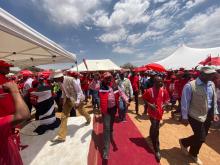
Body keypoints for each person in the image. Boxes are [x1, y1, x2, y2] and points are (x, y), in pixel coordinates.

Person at [180, 66, 219, 165]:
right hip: (195, 115)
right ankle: (184, 142)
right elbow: (185, 102)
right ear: (202, 74)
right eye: (210, 74)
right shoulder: (190, 86)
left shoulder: (212, 84)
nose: (212, 76)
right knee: (201, 137)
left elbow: (213, 100)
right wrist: (184, 117)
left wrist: (215, 112)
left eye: (212, 74)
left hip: (208, 114)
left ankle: (194, 153)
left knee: (202, 136)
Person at [0, 60, 30, 165]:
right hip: (4, 115)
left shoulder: (5, 79)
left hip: (11, 112)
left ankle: (17, 146)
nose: (9, 69)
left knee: (14, 134)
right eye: (6, 67)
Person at [51, 70, 91, 143]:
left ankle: (88, 118)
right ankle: (61, 137)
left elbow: (79, 91)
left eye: (56, 79)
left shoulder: (71, 80)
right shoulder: (59, 82)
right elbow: (64, 91)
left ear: (60, 77)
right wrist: (62, 98)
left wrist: (78, 102)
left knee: (81, 111)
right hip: (68, 99)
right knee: (63, 116)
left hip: (77, 99)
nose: (55, 80)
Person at [99, 72, 129, 160]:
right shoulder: (100, 87)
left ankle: (111, 131)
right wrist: (95, 79)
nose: (109, 79)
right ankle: (106, 151)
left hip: (113, 109)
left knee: (110, 126)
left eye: (110, 78)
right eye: (106, 78)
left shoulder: (115, 86)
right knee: (106, 129)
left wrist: (126, 100)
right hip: (106, 111)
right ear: (103, 79)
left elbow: (122, 93)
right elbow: (92, 86)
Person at [142, 75, 169, 162]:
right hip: (152, 113)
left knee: (154, 126)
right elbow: (144, 98)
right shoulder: (149, 91)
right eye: (159, 81)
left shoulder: (163, 91)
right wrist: (150, 105)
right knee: (156, 129)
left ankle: (151, 135)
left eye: (161, 81)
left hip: (160, 113)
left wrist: (165, 104)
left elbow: (166, 100)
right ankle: (156, 149)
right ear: (154, 82)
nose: (161, 83)